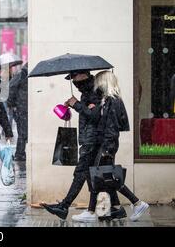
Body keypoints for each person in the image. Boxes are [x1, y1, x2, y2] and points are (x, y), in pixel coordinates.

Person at [41, 71, 122, 220]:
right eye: (72, 78)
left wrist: (76, 104)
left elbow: (96, 116)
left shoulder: (95, 90)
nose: (73, 81)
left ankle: (65, 206)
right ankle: (107, 210)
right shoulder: (87, 92)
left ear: (83, 75)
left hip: (93, 140)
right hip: (89, 139)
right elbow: (89, 113)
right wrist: (77, 106)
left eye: (74, 77)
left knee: (83, 174)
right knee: (92, 176)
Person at [72, 71, 149, 222]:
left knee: (101, 177)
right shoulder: (108, 101)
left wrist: (107, 148)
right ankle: (120, 207)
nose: (96, 86)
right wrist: (96, 108)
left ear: (104, 82)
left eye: (98, 82)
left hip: (108, 144)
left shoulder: (113, 101)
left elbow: (112, 127)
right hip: (107, 144)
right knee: (106, 178)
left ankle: (93, 211)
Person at [8, 63, 28, 161]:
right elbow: (11, 87)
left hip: (25, 108)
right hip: (22, 108)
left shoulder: (26, 74)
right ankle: (19, 154)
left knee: (24, 132)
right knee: (23, 132)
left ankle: (20, 153)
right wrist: (11, 104)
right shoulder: (22, 74)